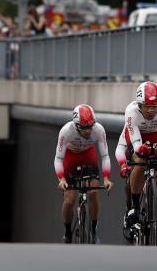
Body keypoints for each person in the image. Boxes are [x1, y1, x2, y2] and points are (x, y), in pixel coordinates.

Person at [54, 104, 112, 243]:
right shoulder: (66, 131)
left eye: (90, 126)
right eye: (84, 128)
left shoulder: (98, 130)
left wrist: (106, 177)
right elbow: (58, 158)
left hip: (88, 156)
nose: (88, 131)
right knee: (69, 200)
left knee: (93, 192)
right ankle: (68, 231)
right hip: (70, 159)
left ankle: (93, 228)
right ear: (76, 125)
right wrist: (61, 179)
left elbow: (105, 156)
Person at [117, 82, 157, 234]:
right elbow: (136, 143)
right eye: (146, 106)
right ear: (139, 105)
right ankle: (135, 206)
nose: (150, 110)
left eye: (154, 106)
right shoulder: (131, 111)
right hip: (136, 137)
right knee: (140, 161)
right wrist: (138, 151)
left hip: (155, 136)